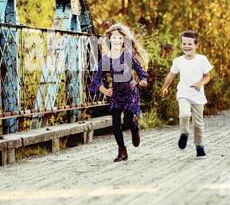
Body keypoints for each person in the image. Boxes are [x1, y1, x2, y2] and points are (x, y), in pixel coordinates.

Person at [89, 23, 149, 162]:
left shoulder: (127, 54)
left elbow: (141, 72)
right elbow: (95, 81)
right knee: (115, 124)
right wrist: (105, 90)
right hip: (116, 94)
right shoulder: (105, 59)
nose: (117, 40)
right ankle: (122, 152)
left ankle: (135, 128)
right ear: (109, 39)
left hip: (130, 93)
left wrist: (143, 81)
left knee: (127, 122)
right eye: (114, 38)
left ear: (123, 40)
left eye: (120, 38)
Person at [161, 30, 213, 158]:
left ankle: (199, 146)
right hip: (183, 94)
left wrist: (200, 84)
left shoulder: (202, 59)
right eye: (184, 43)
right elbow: (171, 75)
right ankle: (184, 133)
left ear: (196, 45)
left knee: (198, 124)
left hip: (198, 96)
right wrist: (165, 87)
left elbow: (208, 76)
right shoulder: (178, 61)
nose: (186, 46)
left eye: (190, 44)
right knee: (184, 114)